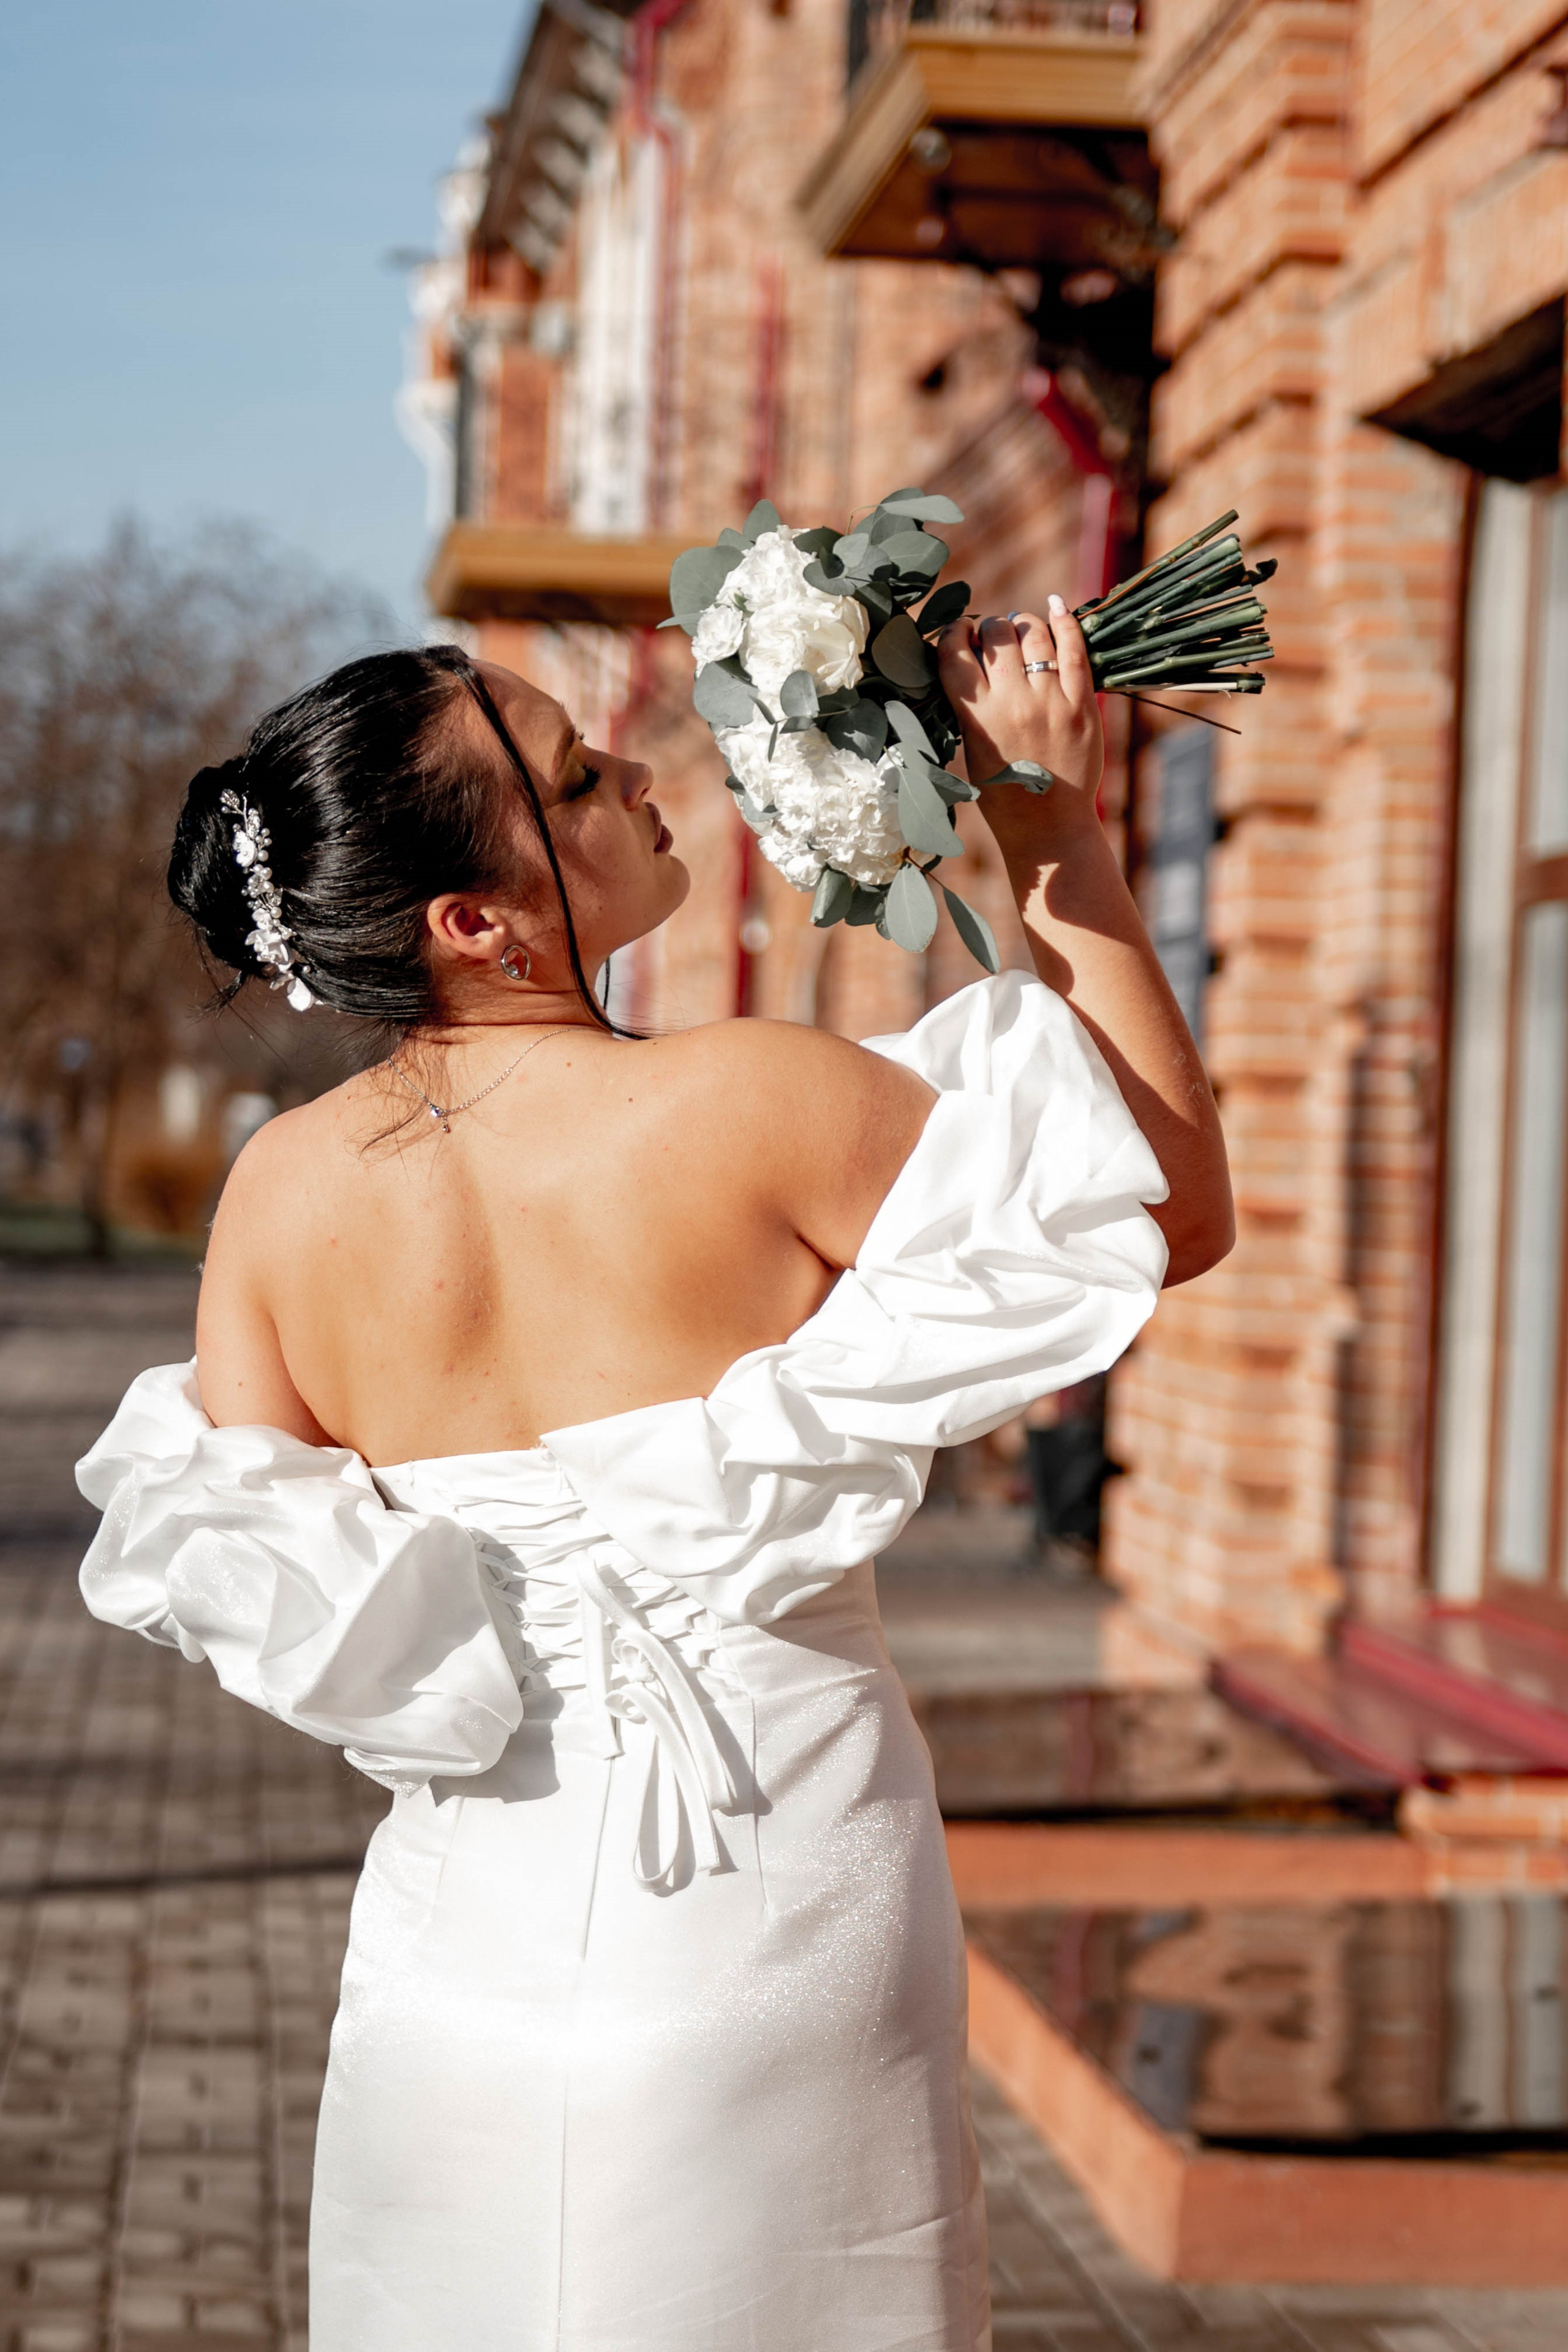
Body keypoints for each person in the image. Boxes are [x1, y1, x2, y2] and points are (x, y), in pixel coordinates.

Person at [77, 598, 1232, 2351]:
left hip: (456, 1948)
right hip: (780, 1899)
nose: (637, 770)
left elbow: (286, 1593)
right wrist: (1047, 824)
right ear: (476, 921)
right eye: (577, 777)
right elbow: (1169, 1207)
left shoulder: (277, 1197)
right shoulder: (757, 1101)